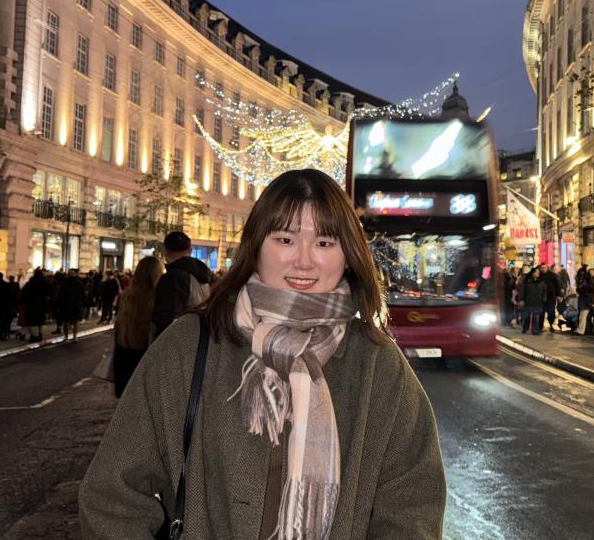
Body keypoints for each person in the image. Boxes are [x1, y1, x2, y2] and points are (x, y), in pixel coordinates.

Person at [80, 168, 446, 539]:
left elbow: (411, 506)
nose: (304, 261)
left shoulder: (378, 365)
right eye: (285, 239)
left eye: (324, 242)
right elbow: (113, 496)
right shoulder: (188, 346)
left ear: (348, 255)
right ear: (256, 248)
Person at [111, 256, 164, 398]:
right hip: (145, 351)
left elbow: (118, 323)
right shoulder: (159, 296)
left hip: (124, 349)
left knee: (125, 401)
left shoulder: (127, 295)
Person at [151, 231, 215, 339]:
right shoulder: (205, 276)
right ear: (190, 250)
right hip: (199, 340)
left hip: (178, 344)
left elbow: (167, 320)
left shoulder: (173, 277)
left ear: (165, 252)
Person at [20, 269, 53, 342]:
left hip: (31, 305)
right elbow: (50, 292)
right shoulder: (45, 283)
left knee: (33, 321)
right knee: (40, 321)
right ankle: (40, 335)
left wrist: (23, 301)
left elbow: (23, 293)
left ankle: (35, 336)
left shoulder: (30, 283)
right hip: (42, 304)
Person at [574, 264, 594, 335]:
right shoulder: (588, 280)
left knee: (583, 315)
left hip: (586, 299)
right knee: (582, 315)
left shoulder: (587, 281)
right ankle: (581, 329)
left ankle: (581, 330)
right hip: (585, 299)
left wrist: (579, 290)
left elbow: (588, 289)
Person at [541, 263, 562, 332]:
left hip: (551, 297)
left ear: (547, 268)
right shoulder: (539, 275)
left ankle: (551, 325)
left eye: (544, 268)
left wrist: (559, 295)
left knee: (551, 313)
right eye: (542, 268)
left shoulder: (552, 275)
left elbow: (557, 286)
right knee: (541, 313)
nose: (543, 269)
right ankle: (540, 327)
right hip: (541, 298)